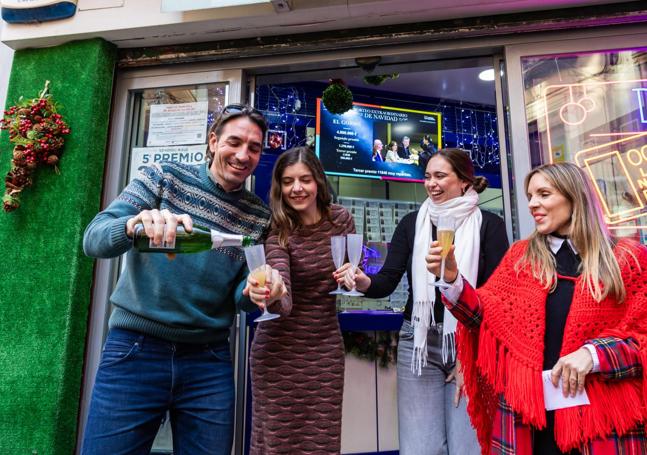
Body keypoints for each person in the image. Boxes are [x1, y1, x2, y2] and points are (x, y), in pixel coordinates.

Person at [81, 104, 283, 455]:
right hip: (135, 349)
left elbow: (239, 295)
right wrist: (134, 225)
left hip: (209, 360)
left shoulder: (259, 215)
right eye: (234, 142)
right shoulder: (163, 176)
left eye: (253, 148)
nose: (242, 154)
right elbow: (93, 239)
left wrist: (253, 290)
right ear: (213, 140)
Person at [427, 162, 647, 454]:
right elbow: (485, 316)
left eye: (544, 194)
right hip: (529, 421)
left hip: (602, 423)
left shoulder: (627, 260)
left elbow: (641, 338)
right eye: (530, 196)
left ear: (574, 197)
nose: (533, 204)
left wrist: (594, 355)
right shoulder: (521, 257)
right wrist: (452, 278)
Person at [336, 148, 509, 455]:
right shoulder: (413, 223)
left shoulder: (489, 226)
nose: (431, 184)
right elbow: (387, 281)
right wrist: (363, 281)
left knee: (467, 446)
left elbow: (499, 298)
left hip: (472, 345)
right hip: (418, 343)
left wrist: (473, 358)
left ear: (465, 182)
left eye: (440, 176)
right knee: (420, 448)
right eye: (427, 176)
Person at [247, 146, 355, 454]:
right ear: (279, 187)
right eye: (288, 181)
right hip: (278, 352)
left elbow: (348, 271)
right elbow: (284, 298)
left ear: (318, 182)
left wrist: (353, 277)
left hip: (324, 351)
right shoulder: (278, 230)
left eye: (305, 179)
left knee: (321, 444)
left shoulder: (341, 220)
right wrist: (276, 291)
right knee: (277, 445)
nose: (297, 188)